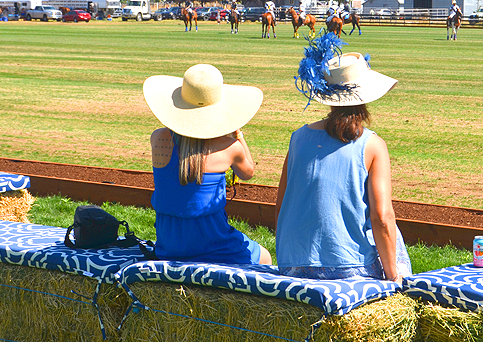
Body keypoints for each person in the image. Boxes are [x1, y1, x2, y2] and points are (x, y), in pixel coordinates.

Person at [275, 32, 412, 282]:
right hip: (348, 268)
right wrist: (394, 278)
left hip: (291, 264)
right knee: (394, 233)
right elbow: (382, 218)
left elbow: (282, 206)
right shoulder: (372, 145)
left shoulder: (297, 138)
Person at [143, 64, 272, 265]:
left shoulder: (158, 138)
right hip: (214, 245)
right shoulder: (230, 147)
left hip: (169, 247)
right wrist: (238, 134)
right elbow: (248, 172)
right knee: (265, 257)